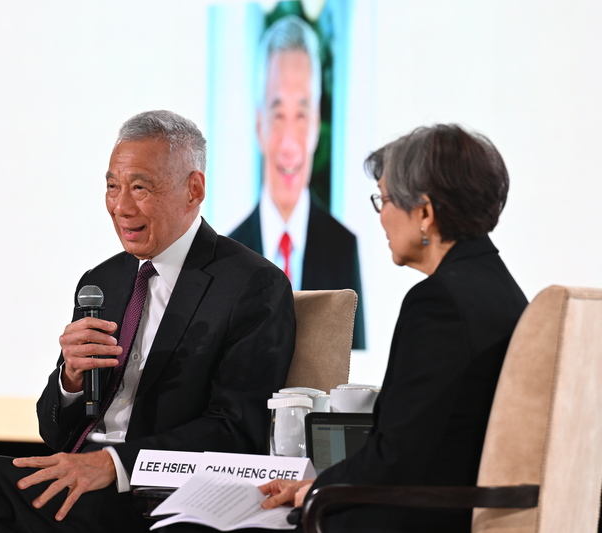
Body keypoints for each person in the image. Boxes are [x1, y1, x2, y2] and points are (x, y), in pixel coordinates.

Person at [0, 110, 296, 533]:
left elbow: (236, 429)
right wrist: (72, 380)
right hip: (86, 480)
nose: (120, 206)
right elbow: (54, 431)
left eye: (140, 187)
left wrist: (114, 464)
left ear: (193, 189)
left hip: (163, 496)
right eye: (112, 187)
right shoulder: (103, 282)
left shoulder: (251, 284)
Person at [151, 124, 528, 533]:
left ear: (424, 212)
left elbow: (396, 456)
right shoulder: (502, 289)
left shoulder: (440, 304)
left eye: (383, 200)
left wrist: (316, 491)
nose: (380, 216)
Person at [228, 14, 365, 349]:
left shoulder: (343, 248)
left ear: (317, 124)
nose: (289, 143)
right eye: (277, 115)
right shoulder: (227, 256)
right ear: (259, 124)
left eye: (301, 115)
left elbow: (355, 375)